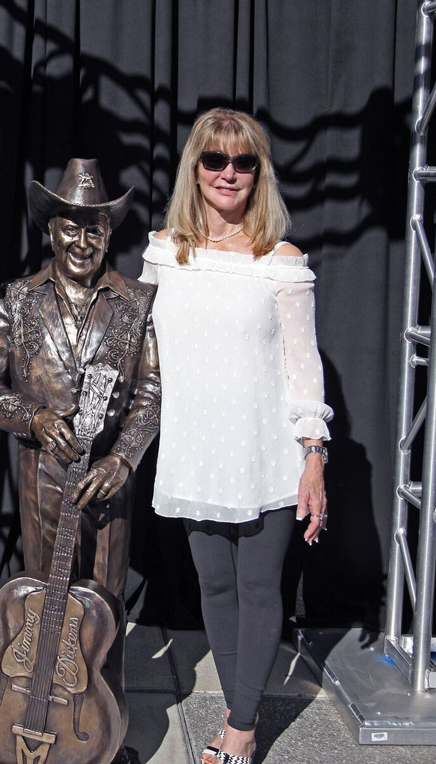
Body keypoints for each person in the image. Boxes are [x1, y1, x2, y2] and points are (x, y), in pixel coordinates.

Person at [139, 108, 332, 764]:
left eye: (243, 162)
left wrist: (314, 459)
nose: (229, 173)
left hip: (266, 452)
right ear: (195, 167)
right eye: (215, 160)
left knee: (258, 588)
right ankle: (236, 707)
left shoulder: (280, 261)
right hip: (195, 450)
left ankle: (242, 730)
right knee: (214, 588)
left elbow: (304, 367)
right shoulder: (164, 251)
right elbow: (137, 349)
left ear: (259, 174)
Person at [0, 157, 161, 650]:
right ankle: (47, 702)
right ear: (51, 231)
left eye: (93, 230)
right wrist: (32, 417)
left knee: (106, 606)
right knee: (47, 605)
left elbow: (151, 391)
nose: (82, 242)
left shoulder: (137, 302)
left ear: (109, 235)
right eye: (70, 229)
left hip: (109, 480)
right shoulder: (15, 301)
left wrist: (124, 457)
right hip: (43, 477)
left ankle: (102, 708)